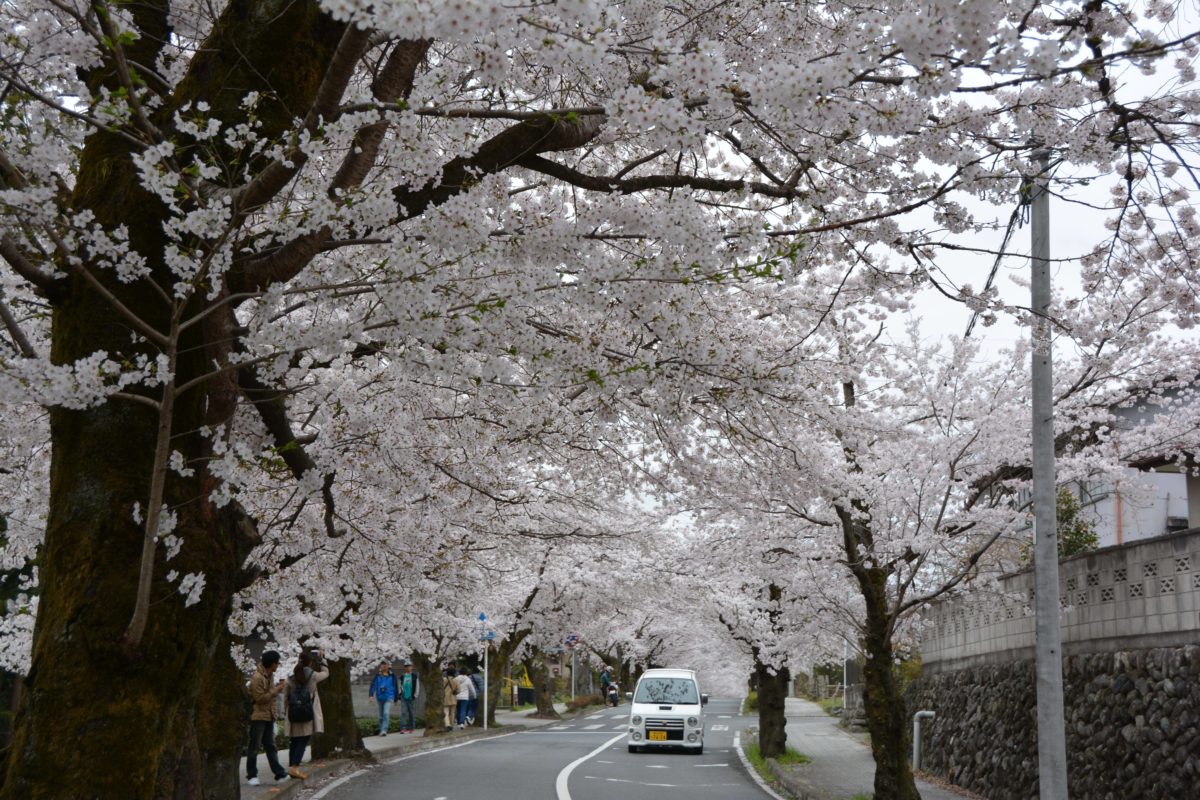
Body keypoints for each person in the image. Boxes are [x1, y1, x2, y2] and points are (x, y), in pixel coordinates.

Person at [246, 650, 289, 786]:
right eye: (277, 663)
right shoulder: (258, 678)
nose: (278, 666)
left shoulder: (269, 676)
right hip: (258, 716)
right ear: (272, 664)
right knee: (254, 747)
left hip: (268, 716)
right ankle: (252, 775)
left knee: (270, 746)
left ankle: (279, 773)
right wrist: (276, 690)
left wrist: (276, 690)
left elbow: (269, 697)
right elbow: (259, 698)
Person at [284, 649, 329, 780]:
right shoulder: (313, 675)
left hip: (293, 713)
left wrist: (288, 711)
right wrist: (322, 659)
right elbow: (326, 673)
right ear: (310, 663)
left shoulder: (290, 677)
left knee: (294, 740)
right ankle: (294, 767)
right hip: (307, 712)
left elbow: (285, 697)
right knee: (303, 740)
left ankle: (292, 767)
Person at [368, 659, 399, 736]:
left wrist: (396, 698)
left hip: (389, 697)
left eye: (385, 664)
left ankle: (384, 730)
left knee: (386, 713)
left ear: (388, 666)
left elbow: (395, 687)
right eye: (382, 664)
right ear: (380, 666)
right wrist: (371, 695)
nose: (384, 666)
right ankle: (381, 729)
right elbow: (373, 685)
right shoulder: (377, 676)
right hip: (380, 697)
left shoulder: (392, 676)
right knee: (381, 716)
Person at [397, 660, 421, 733]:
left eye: (409, 666)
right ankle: (403, 728)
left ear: (412, 667)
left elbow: (417, 686)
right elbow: (400, 685)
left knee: (411, 713)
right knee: (403, 712)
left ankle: (412, 728)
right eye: (406, 667)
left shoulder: (414, 676)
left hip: (411, 697)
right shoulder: (402, 676)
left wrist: (415, 695)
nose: (408, 668)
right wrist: (400, 694)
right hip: (404, 697)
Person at [442, 666, 458, 732]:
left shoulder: (444, 680)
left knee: (446, 712)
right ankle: (451, 725)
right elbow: (459, 690)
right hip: (453, 698)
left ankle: (447, 724)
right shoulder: (456, 680)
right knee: (452, 712)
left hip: (445, 697)